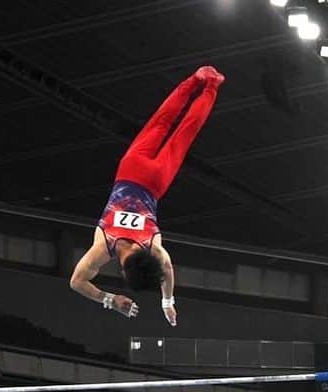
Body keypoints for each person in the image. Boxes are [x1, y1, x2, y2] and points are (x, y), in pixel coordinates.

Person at [69, 66, 224, 325]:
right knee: (161, 121)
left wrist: (168, 301)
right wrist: (109, 299)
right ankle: (196, 78)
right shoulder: (103, 246)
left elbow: (167, 269)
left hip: (156, 181)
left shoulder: (153, 246)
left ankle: (210, 84)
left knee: (184, 133)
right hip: (129, 169)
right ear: (123, 270)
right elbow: (76, 282)